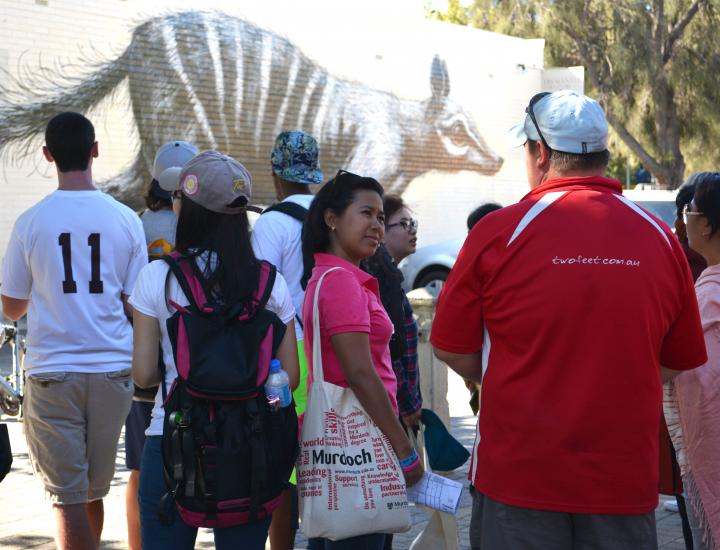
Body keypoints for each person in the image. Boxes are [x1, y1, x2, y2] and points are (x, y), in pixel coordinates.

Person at [430, 90, 707, 550]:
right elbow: (677, 357)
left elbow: (450, 347)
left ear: (539, 153)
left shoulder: (498, 233)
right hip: (621, 481)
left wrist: (524, 376)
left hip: (518, 481)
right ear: (603, 155)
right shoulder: (659, 238)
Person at [130, 150, 299, 549]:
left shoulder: (157, 277)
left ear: (185, 209)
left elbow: (143, 375)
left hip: (172, 436)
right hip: (250, 443)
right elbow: (289, 375)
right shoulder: (269, 283)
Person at [0, 112, 145, 550]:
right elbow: (137, 302)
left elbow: (11, 306)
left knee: (67, 499)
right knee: (91, 492)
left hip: (52, 371)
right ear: (94, 150)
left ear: (47, 155)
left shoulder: (30, 222)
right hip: (112, 370)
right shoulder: (125, 219)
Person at [302, 171, 424, 550]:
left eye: (381, 217)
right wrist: (404, 450)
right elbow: (359, 372)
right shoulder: (340, 281)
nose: (376, 224)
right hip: (360, 445)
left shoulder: (330, 275)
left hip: (348, 446)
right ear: (332, 219)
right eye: (365, 213)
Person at [124, 140, 198, 550]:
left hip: (149, 361)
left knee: (140, 471)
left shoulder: (138, 224)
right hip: (196, 365)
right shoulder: (210, 225)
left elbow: (131, 295)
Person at [251, 130, 322, 550]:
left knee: (284, 458)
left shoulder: (272, 222)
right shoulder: (335, 214)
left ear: (277, 172)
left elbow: (260, 296)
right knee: (323, 449)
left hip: (286, 353)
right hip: (331, 347)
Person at [670, 172, 720, 549]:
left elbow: (700, 387)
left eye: (688, 211)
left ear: (703, 223)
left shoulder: (707, 296)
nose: (683, 220)